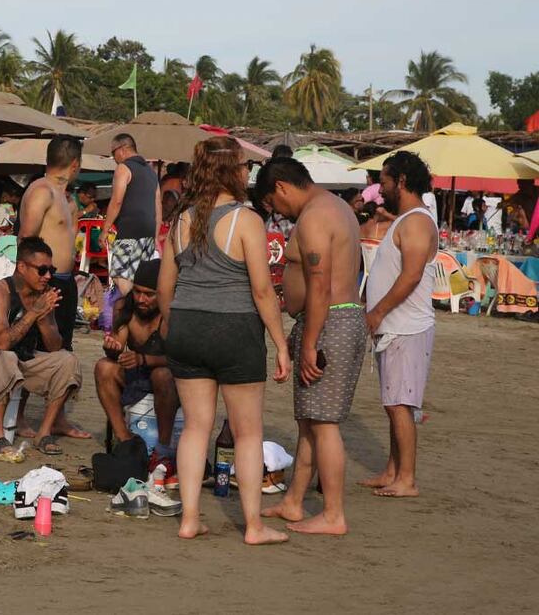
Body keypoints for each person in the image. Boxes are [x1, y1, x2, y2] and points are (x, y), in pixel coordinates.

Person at [157, 136, 290, 545]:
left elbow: (166, 286)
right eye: (245, 166)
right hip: (234, 329)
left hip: (186, 325)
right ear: (233, 170)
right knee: (248, 432)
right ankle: (253, 526)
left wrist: (169, 326)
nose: (249, 173)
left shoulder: (180, 221)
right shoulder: (245, 219)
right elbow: (263, 291)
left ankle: (190, 519)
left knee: (196, 426)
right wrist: (280, 343)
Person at [255, 157, 367, 536]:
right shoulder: (335, 207)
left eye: (273, 202)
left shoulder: (316, 216)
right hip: (335, 319)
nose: (277, 212)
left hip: (330, 322)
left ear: (282, 188)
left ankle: (333, 514)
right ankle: (294, 501)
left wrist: (311, 343)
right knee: (309, 421)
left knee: (324, 423)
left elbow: (319, 283)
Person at [0, 237, 85, 457]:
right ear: (22, 267)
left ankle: (44, 433)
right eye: (42, 270)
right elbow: (2, 343)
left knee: (67, 360)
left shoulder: (41, 295)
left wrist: (45, 319)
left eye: (51, 270)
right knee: (5, 357)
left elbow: (55, 347)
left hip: (16, 359)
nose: (48, 276)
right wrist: (34, 313)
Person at [362, 150, 438, 498]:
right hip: (396, 326)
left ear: (402, 181)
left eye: (385, 180)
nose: (381, 187)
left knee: (399, 404)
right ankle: (392, 470)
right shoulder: (405, 218)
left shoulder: (418, 221)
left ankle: (406, 478)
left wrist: (378, 312)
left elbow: (411, 276)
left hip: (406, 327)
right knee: (392, 400)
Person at [93, 259, 179, 487]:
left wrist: (144, 359)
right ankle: (125, 441)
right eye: (138, 292)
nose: (141, 299)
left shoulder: (172, 312)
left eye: (149, 294)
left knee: (163, 375)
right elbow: (118, 347)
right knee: (104, 367)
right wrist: (112, 349)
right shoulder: (125, 306)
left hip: (168, 378)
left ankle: (162, 449)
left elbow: (181, 358)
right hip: (137, 375)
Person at [19, 135, 83, 354]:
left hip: (63, 282)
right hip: (44, 280)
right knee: (38, 349)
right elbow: (26, 240)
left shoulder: (64, 198)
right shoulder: (42, 192)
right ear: (75, 164)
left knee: (61, 349)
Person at [100, 134, 162, 296]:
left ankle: (131, 306)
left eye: (113, 153)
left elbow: (117, 201)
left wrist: (105, 229)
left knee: (120, 273)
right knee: (138, 276)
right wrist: (155, 236)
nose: (113, 158)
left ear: (122, 149)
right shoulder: (151, 173)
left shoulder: (123, 168)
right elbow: (158, 207)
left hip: (130, 230)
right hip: (148, 233)